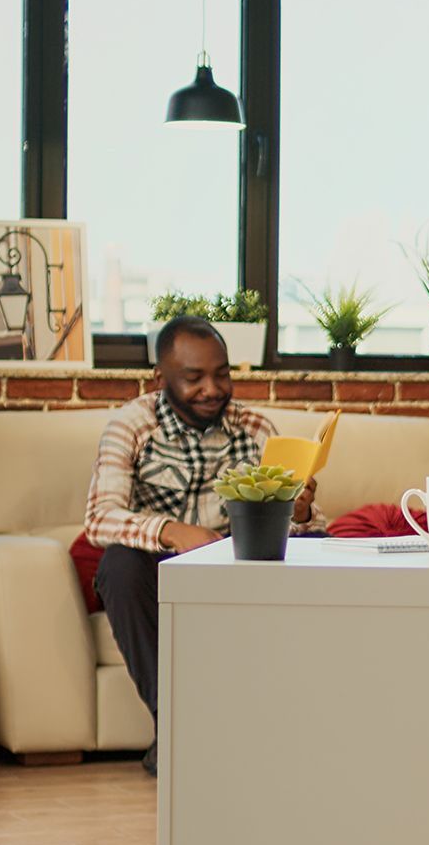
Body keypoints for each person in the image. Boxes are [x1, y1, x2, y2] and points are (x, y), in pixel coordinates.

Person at [84, 316, 323, 775]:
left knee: (319, 547)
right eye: (193, 378)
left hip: (236, 568)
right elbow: (99, 517)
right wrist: (173, 532)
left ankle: (303, 731)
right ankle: (177, 728)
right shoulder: (130, 425)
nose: (211, 389)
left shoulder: (254, 429)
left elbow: (294, 531)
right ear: (161, 379)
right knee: (117, 566)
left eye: (222, 374)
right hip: (158, 568)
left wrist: (299, 514)